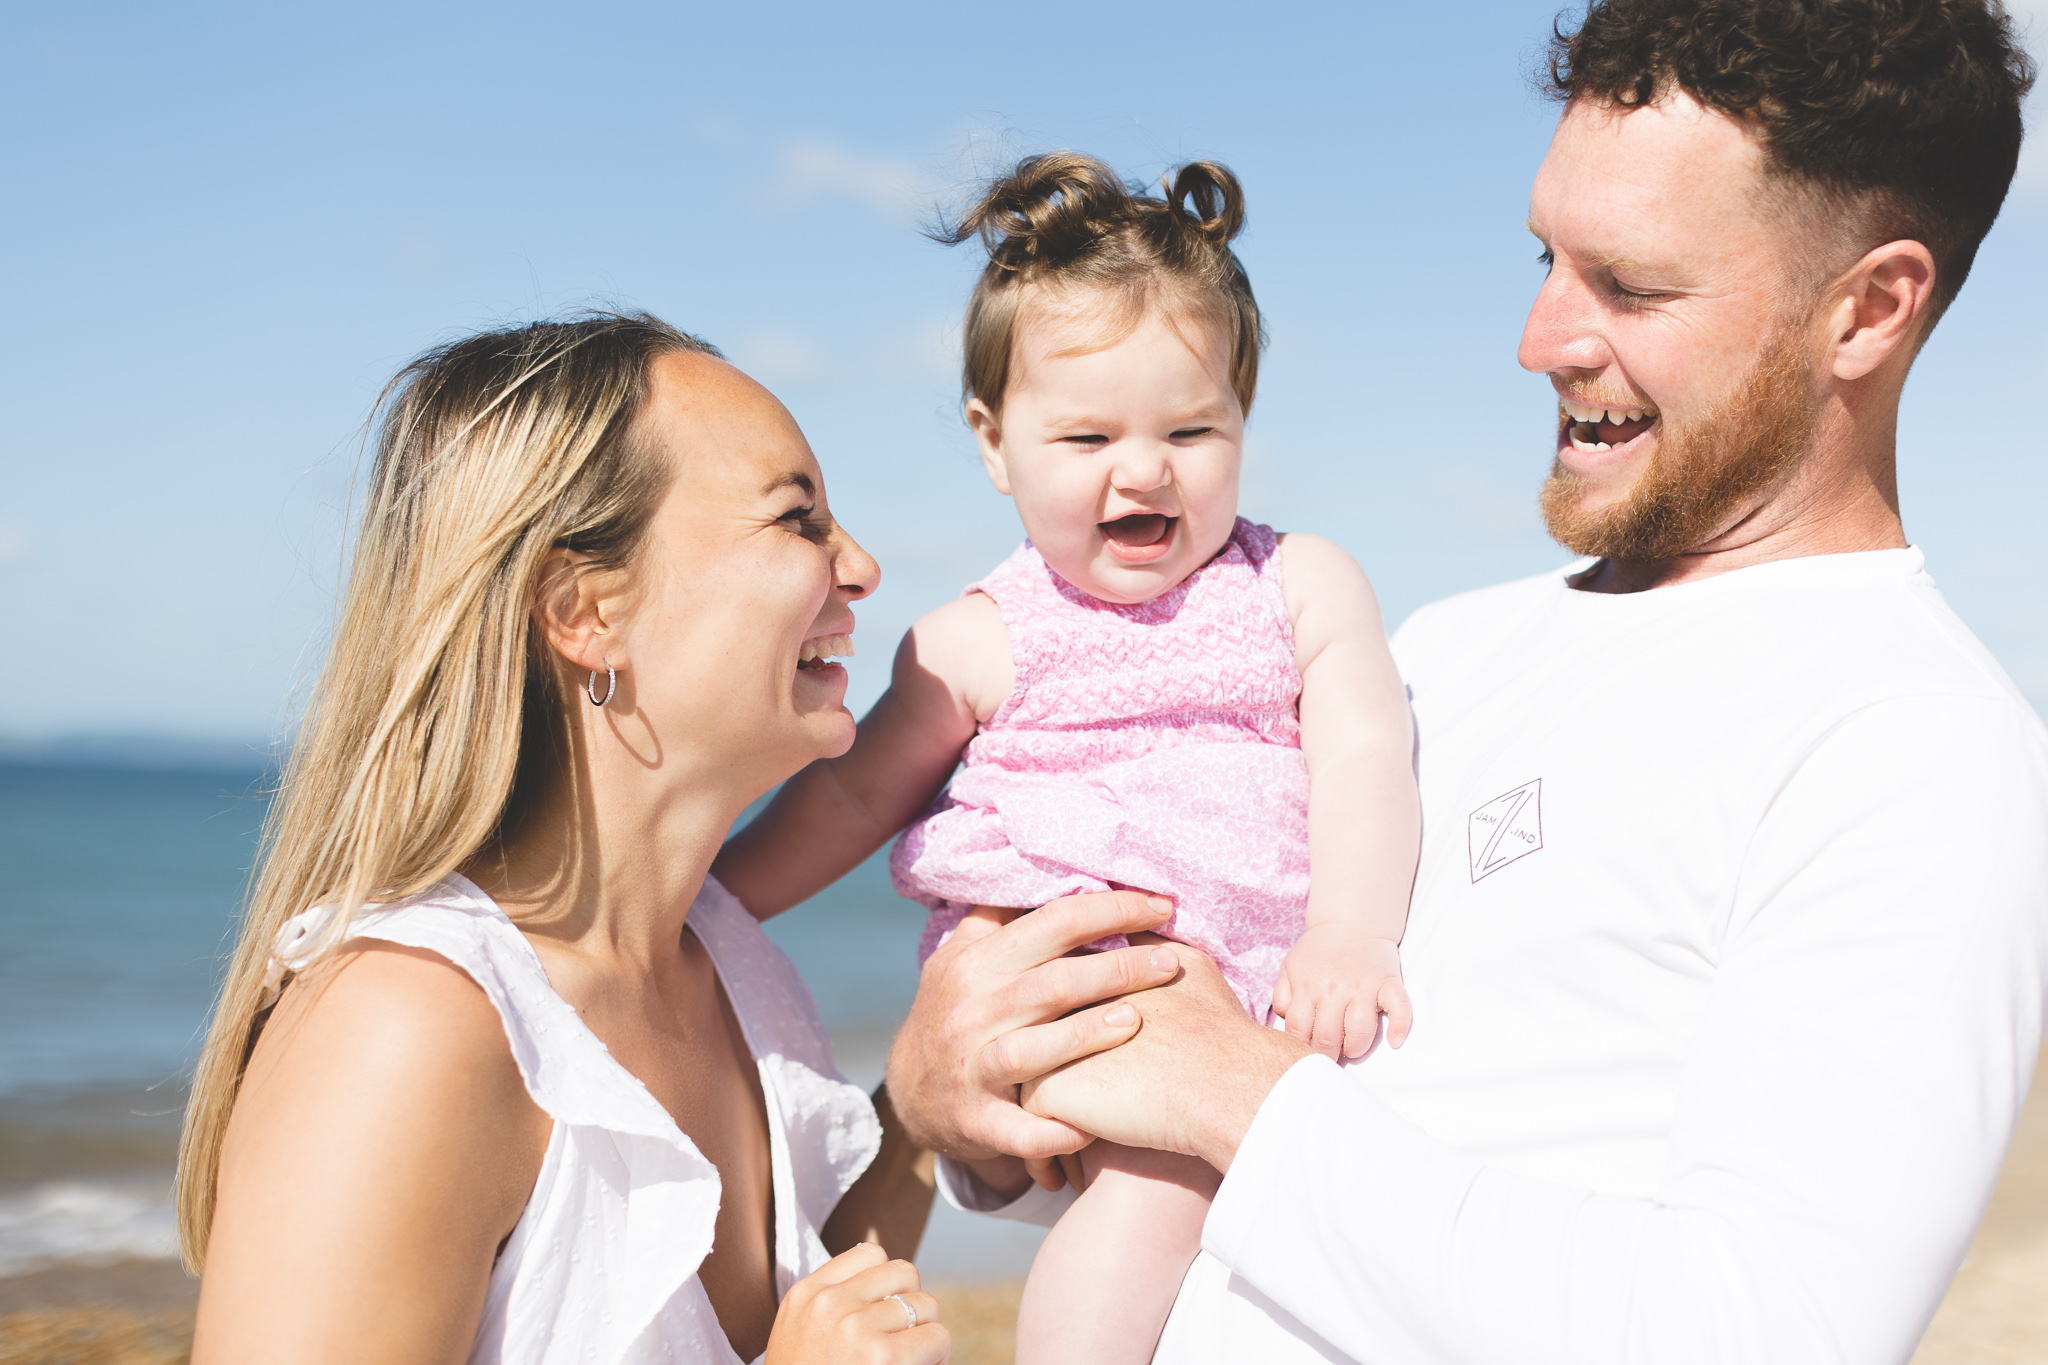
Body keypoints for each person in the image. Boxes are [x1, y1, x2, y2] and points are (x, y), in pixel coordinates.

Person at [885, 1, 2048, 1361]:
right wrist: (958, 1099)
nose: (1540, 335)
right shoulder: (1440, 650)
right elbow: (1219, 1179)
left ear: (1869, 307)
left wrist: (1235, 1099)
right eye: (1548, 259)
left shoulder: (1920, 748)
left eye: (1632, 285)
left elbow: (1763, 1330)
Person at [713, 155, 1420, 1365]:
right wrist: (713, 905)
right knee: (1148, 1207)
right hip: (1081, 1002)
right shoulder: (977, 640)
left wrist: (1348, 933)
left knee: (1229, 1248)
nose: (1142, 470)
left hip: (1265, 985)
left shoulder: (1296, 585)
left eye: (1190, 430)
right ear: (995, 444)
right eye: (1086, 433)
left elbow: (1366, 751)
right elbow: (848, 796)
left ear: (1242, 418)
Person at [175, 313, 949, 1365]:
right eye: (795, 518)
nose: (856, 566)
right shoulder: (405, 1029)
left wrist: (928, 1106)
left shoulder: (729, 969)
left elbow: (813, 1321)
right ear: (584, 611)